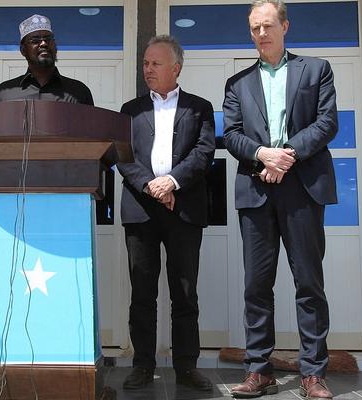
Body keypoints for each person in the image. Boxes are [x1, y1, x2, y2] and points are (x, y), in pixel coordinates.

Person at [222, 1, 337, 399]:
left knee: (309, 283)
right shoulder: (237, 83)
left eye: (268, 25)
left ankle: (313, 374)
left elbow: (327, 122)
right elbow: (232, 134)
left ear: (284, 26)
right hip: (256, 190)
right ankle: (259, 370)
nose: (261, 34)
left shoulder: (316, 70)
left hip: (302, 187)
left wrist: (285, 154)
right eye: (255, 28)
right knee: (256, 285)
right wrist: (262, 154)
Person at [117, 35, 215, 391]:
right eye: (145, 63)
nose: (148, 69)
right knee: (142, 294)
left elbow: (204, 153)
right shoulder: (130, 110)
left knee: (185, 293)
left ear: (176, 68)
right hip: (141, 209)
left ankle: (186, 367)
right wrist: (151, 186)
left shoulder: (199, 107)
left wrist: (171, 182)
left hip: (183, 209)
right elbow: (122, 155)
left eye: (155, 63)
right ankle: (143, 366)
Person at [0, 14, 94, 221]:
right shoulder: (3, 93)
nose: (43, 44)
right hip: (11, 197)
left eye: (48, 39)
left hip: (68, 198)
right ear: (22, 49)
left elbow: (93, 147)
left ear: (55, 46)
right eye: (35, 40)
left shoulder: (78, 92)